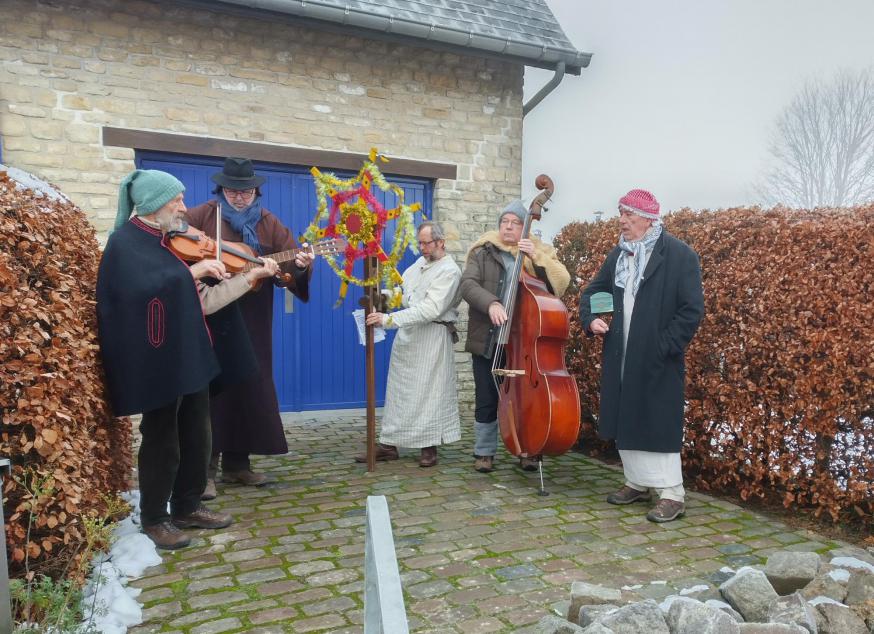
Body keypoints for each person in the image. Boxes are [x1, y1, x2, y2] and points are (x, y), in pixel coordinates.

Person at [96, 169, 280, 549]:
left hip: (191, 355)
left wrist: (250, 277)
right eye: (175, 199)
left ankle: (187, 506)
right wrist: (193, 270)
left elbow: (205, 302)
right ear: (152, 204)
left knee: (198, 433)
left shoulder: (169, 243)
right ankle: (154, 518)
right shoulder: (125, 244)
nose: (183, 205)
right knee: (163, 439)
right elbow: (138, 296)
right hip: (157, 361)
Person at [186, 158, 314, 497]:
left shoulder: (269, 223)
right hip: (213, 313)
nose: (240, 197)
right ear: (222, 189)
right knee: (214, 389)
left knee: (247, 386)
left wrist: (299, 267)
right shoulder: (201, 216)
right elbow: (177, 250)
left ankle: (237, 466)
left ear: (255, 190)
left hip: (254, 317)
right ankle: (204, 471)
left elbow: (286, 272)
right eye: (233, 191)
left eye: (245, 192)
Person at [579, 189, 704, 523]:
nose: (622, 221)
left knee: (657, 419)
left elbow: (691, 311)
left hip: (658, 356)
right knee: (627, 414)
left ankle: (671, 493)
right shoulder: (619, 256)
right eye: (621, 214)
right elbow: (595, 291)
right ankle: (636, 480)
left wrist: (664, 347)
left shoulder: (679, 255)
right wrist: (593, 319)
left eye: (629, 215)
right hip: (621, 352)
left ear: (648, 218)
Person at [460, 200, 570, 473]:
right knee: (487, 396)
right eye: (504, 222)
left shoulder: (538, 251)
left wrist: (537, 257)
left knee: (522, 398)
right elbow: (468, 285)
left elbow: (561, 284)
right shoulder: (483, 251)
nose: (508, 227)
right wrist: (492, 303)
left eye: (515, 222)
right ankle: (484, 452)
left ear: (525, 227)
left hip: (523, 341)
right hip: (488, 336)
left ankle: (527, 448)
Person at [356, 221, 462, 467]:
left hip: (432, 338)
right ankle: (389, 445)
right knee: (400, 392)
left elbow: (430, 309)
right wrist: (379, 300)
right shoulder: (418, 265)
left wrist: (388, 319)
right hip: (408, 337)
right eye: (420, 243)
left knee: (429, 392)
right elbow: (402, 292)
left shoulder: (450, 271)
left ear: (440, 242)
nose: (422, 248)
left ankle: (429, 447)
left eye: (427, 243)